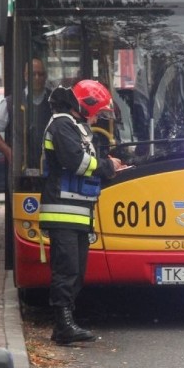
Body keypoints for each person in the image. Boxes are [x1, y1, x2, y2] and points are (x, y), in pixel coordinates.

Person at [40, 80, 127, 345]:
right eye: (97, 110)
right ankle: (62, 325)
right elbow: (76, 162)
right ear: (85, 105)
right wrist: (106, 165)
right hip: (62, 211)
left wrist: (109, 168)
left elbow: (85, 165)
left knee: (76, 271)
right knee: (66, 270)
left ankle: (67, 323)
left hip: (77, 212)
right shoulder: (61, 124)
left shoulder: (76, 126)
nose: (98, 116)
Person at [0, 57, 52, 164]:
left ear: (45, 76)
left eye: (41, 74)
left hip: (50, 167)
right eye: (33, 74)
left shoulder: (54, 100)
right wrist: (8, 152)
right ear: (26, 76)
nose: (37, 78)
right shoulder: (11, 102)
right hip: (21, 171)